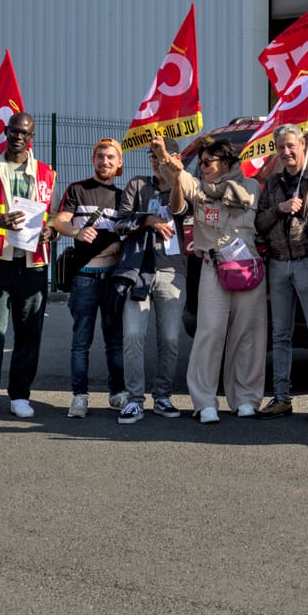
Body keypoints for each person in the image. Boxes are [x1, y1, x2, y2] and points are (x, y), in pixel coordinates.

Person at [156, 136, 266, 424]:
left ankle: (245, 398)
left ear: (225, 163)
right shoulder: (198, 187)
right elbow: (177, 176)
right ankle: (204, 401)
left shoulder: (250, 187)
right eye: (201, 162)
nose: (202, 166)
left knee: (248, 335)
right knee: (210, 331)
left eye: (208, 162)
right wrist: (165, 156)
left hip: (247, 268)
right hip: (213, 266)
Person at [0, 112, 57, 421]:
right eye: (14, 131)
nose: (18, 137)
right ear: (6, 132)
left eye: (24, 133)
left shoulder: (47, 173)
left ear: (32, 137)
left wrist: (51, 231)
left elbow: (55, 217)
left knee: (29, 332)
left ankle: (19, 396)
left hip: (33, 264)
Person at [255, 110, 308, 421]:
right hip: (278, 264)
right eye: (280, 148)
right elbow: (260, 223)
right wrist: (280, 208)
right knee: (280, 336)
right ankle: (281, 397)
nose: (286, 152)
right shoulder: (273, 182)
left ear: (302, 144)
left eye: (291, 146)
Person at [49, 138, 127, 419]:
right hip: (83, 277)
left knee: (114, 340)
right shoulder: (78, 190)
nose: (105, 162)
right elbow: (59, 221)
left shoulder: (123, 196)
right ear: (93, 160)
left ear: (119, 163)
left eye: (111, 158)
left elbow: (130, 231)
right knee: (81, 342)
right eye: (100, 157)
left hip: (112, 279)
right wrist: (75, 232)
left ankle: (117, 393)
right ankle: (79, 396)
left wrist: (121, 243)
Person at [113, 136, 188, 423]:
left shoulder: (183, 184)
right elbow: (119, 223)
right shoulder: (137, 184)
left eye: (163, 158)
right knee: (133, 335)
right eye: (153, 158)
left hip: (172, 272)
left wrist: (176, 178)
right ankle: (134, 400)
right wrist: (147, 220)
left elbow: (181, 210)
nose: (157, 164)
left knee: (169, 338)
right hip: (137, 270)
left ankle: (163, 397)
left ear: (175, 159)